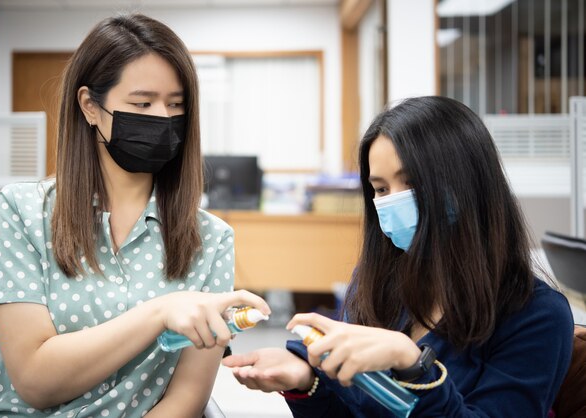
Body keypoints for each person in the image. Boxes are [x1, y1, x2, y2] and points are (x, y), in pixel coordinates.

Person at [0, 13, 270, 418]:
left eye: (176, 104)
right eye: (142, 103)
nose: (162, 117)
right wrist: (159, 313)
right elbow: (35, 381)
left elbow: (185, 401)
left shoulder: (210, 240)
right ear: (90, 106)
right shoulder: (23, 212)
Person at [223, 96, 574, 417]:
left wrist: (412, 364)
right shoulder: (377, 284)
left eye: (412, 183)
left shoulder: (536, 314)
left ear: (467, 184)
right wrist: (306, 381)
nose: (393, 200)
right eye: (380, 189)